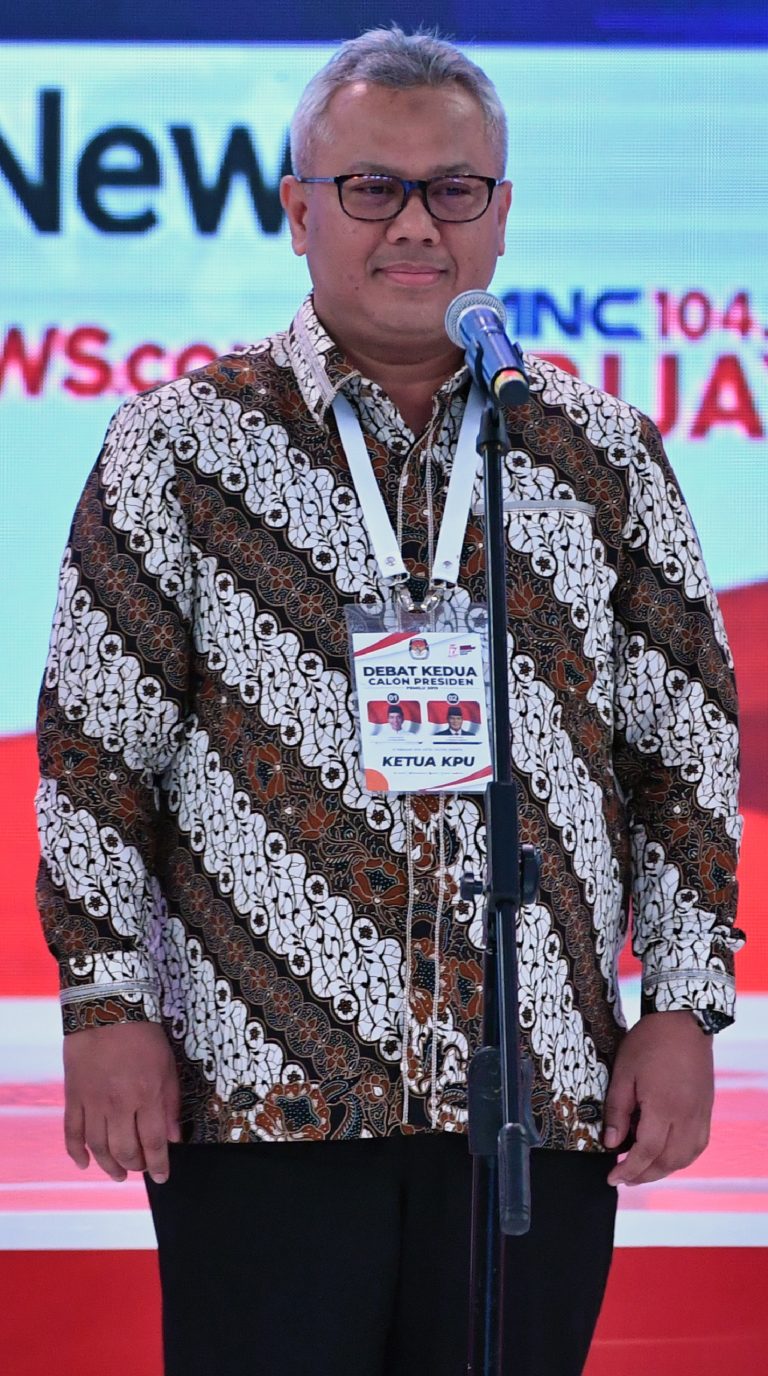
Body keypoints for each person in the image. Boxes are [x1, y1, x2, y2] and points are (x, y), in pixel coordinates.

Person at [35, 26, 743, 1376]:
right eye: (372, 187)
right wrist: (105, 1003)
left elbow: (685, 755)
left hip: (534, 1091)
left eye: (453, 189)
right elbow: (97, 754)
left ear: (502, 214)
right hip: (259, 1092)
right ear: (299, 211)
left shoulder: (594, 453)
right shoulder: (183, 445)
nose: (416, 223)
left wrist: (683, 1006)